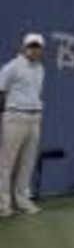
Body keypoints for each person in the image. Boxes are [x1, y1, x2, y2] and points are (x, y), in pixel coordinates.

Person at [0, 31, 46, 217]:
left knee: (27, 163)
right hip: (14, 116)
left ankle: (22, 200)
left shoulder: (41, 69)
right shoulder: (11, 67)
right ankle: (3, 205)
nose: (34, 50)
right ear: (23, 47)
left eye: (38, 47)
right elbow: (1, 93)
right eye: (31, 46)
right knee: (6, 163)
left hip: (34, 119)